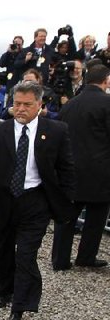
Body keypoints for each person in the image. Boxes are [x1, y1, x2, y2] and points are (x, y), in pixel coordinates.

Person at [0, 81, 77, 320]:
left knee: (26, 256)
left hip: (36, 202)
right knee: (4, 251)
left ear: (39, 105)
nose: (20, 109)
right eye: (16, 103)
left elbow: (66, 169)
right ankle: (4, 291)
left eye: (26, 105)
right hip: (3, 202)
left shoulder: (56, 131)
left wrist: (65, 200)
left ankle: (18, 311)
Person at [51, 64, 110, 270]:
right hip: (100, 170)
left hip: (71, 168)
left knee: (66, 217)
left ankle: (60, 259)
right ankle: (86, 256)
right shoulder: (107, 103)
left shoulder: (70, 104)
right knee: (96, 217)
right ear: (106, 80)